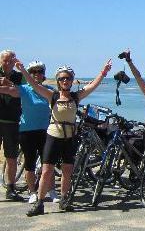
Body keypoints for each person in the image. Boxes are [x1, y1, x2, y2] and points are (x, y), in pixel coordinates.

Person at [16, 59, 112, 216]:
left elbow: (92, 86)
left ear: (72, 80)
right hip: (53, 137)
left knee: (68, 171)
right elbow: (35, 86)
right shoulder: (51, 95)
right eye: (61, 78)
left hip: (70, 138)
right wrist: (22, 70)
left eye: (68, 78)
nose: (65, 81)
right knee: (47, 171)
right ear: (58, 81)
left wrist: (103, 72)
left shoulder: (76, 97)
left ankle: (64, 200)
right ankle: (39, 203)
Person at [0, 61, 53, 203]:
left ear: (44, 74)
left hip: (45, 131)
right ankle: (33, 192)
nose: (37, 74)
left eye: (40, 71)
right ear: (29, 74)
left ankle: (51, 190)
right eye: (33, 72)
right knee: (29, 164)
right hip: (27, 131)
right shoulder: (23, 89)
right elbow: (6, 90)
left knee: (48, 163)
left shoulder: (49, 90)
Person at [0, 49, 25, 201]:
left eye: (11, 61)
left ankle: (11, 188)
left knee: (11, 157)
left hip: (12, 121)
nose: (8, 63)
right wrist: (10, 89)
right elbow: (14, 91)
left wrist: (8, 85)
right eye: (5, 60)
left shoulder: (19, 76)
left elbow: (21, 92)